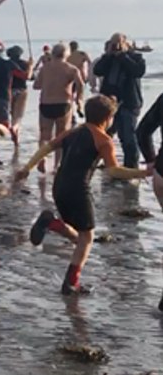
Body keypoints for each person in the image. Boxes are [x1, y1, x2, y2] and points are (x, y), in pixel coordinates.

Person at [17, 96, 148, 295]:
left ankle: (52, 223)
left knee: (80, 236)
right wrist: (143, 172)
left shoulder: (73, 131)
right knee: (87, 238)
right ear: (108, 118)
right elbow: (113, 171)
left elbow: (47, 147)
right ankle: (71, 283)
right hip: (78, 189)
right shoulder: (104, 140)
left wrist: (28, 167)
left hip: (59, 186)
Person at [94, 32, 148, 168]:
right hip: (109, 103)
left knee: (128, 137)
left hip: (128, 103)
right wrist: (109, 54)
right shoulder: (108, 59)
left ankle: (131, 167)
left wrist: (123, 55)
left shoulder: (136, 57)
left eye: (118, 43)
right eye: (113, 44)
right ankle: (106, 162)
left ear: (126, 44)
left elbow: (138, 71)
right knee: (104, 135)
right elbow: (97, 70)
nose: (116, 47)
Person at [32, 43, 85, 178]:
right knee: (61, 136)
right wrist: (79, 100)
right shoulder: (71, 69)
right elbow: (81, 84)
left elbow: (36, 86)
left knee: (44, 135)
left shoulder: (45, 68)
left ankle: (42, 159)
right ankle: (57, 165)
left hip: (46, 104)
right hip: (63, 104)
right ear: (66, 54)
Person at [7, 45, 34, 136]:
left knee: (12, 114)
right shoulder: (25, 64)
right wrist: (31, 66)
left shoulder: (6, 64)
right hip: (21, 90)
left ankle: (15, 138)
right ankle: (14, 130)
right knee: (18, 116)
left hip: (9, 90)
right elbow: (31, 77)